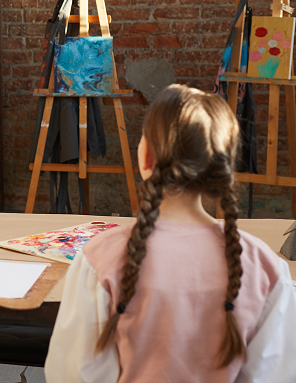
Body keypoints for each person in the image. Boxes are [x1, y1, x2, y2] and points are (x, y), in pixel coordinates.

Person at [44, 85, 296, 382]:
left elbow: (72, 375)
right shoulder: (266, 269)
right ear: (220, 165)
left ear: (147, 157)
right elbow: (275, 375)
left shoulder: (98, 260)